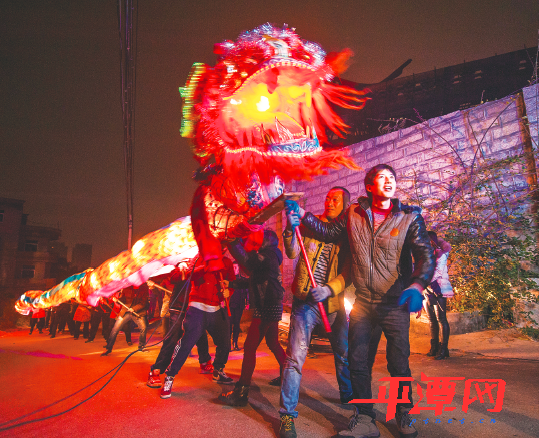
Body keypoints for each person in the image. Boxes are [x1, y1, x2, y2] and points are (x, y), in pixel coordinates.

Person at [286, 164, 435, 438]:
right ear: (369, 186)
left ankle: (404, 412)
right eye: (382, 178)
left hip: (394, 304)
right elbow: (328, 232)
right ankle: (365, 418)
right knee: (357, 361)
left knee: (398, 362)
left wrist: (417, 284)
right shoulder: (353, 214)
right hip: (364, 303)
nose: (389, 181)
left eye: (392, 177)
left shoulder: (408, 217)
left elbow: (425, 255)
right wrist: (303, 215)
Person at [278, 187, 355, 437]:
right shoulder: (309, 225)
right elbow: (292, 252)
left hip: (332, 304)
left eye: (336, 199)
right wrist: (290, 229)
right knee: (295, 358)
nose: (330, 202)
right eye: (328, 198)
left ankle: (350, 399)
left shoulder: (347, 233)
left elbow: (348, 273)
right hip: (305, 302)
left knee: (343, 354)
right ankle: (287, 415)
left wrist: (330, 290)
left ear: (345, 205)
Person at [218, 230, 287, 407]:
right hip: (270, 305)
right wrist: (231, 283)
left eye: (259, 239)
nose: (255, 241)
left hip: (266, 306)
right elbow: (252, 281)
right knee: (273, 343)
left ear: (266, 242)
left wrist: (234, 243)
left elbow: (249, 261)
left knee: (249, 347)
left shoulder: (268, 256)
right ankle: (288, 376)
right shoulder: (268, 258)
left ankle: (241, 392)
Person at [159, 256, 236, 399]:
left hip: (218, 308)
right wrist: (205, 265)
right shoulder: (199, 258)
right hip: (197, 307)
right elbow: (186, 275)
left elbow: (232, 281)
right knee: (186, 344)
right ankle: (170, 376)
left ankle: (218, 369)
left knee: (225, 342)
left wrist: (229, 291)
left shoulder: (227, 261)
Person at [147, 266, 215, 388]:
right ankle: (156, 370)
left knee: (200, 333)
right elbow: (173, 278)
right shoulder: (180, 265)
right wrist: (185, 270)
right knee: (172, 339)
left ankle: (205, 361)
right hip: (178, 306)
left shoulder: (202, 262)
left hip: (195, 305)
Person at [423, 231, 453, 360]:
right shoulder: (425, 253)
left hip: (439, 287)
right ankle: (434, 347)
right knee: (431, 319)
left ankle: (443, 348)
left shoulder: (440, 254)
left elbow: (437, 271)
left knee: (441, 319)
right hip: (427, 289)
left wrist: (423, 281)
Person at [102, 283, 149, 356]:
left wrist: (134, 309)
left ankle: (141, 346)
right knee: (115, 329)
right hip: (126, 311)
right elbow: (123, 299)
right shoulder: (127, 287)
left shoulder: (144, 287)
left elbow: (143, 303)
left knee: (143, 328)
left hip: (138, 312)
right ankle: (108, 348)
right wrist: (117, 300)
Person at [229, 262, 248, 351]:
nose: (235, 269)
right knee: (229, 324)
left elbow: (246, 291)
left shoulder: (242, 280)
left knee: (236, 324)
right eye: (233, 267)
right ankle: (228, 344)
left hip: (239, 304)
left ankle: (235, 343)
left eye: (236, 267)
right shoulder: (229, 279)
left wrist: (247, 302)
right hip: (230, 304)